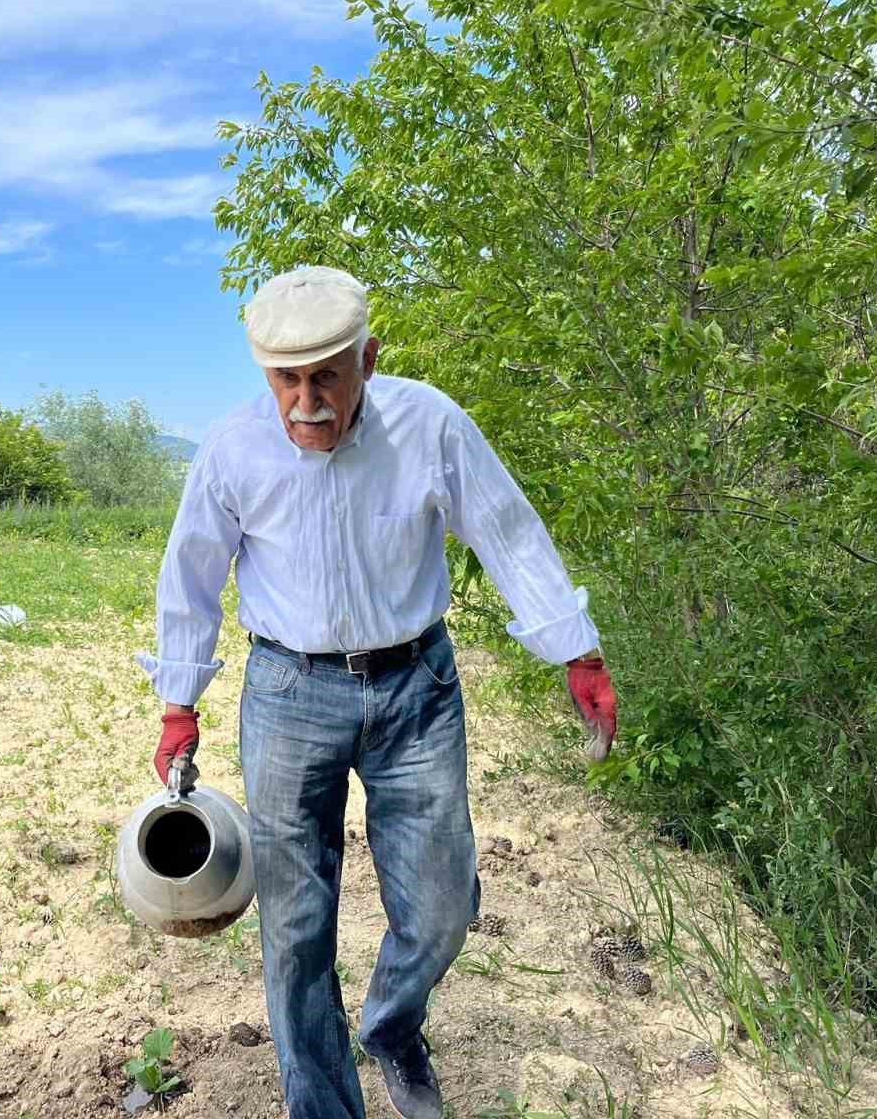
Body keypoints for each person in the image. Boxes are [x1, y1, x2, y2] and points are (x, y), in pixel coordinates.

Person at [136, 266, 618, 1119]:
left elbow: (507, 529)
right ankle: (324, 1107)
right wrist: (180, 704)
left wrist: (576, 652)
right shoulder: (232, 448)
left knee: (441, 906)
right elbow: (192, 577)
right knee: (294, 925)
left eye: (327, 375)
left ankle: (393, 1025)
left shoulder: (428, 424)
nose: (305, 401)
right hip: (289, 693)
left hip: (416, 690)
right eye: (287, 379)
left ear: (369, 357)